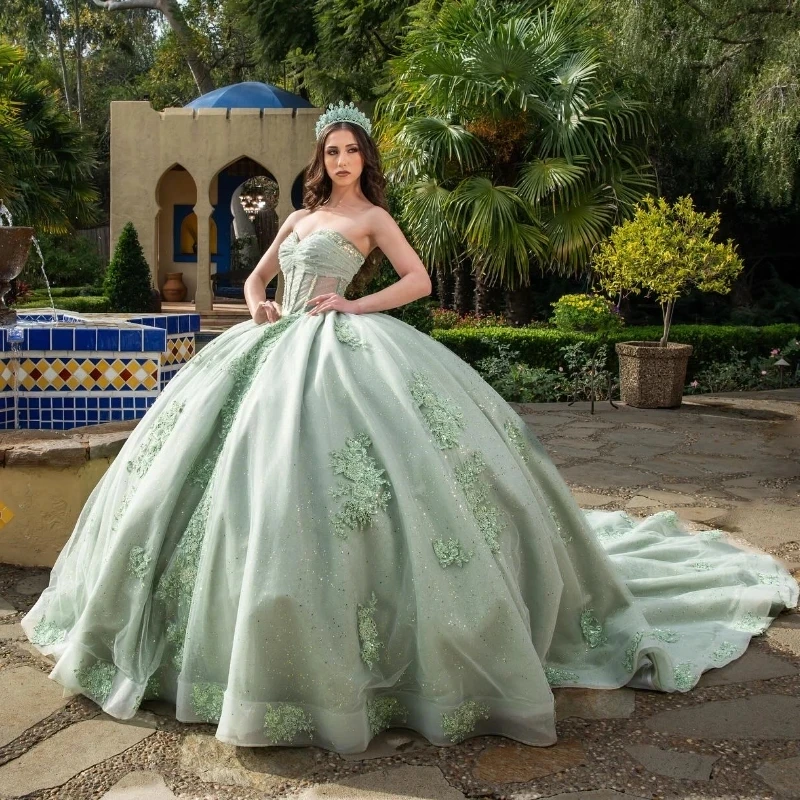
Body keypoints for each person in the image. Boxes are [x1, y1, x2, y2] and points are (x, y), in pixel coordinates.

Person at [22, 101, 798, 754]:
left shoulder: (372, 217)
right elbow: (259, 276)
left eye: (353, 148)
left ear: (366, 157)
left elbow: (419, 280)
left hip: (342, 344)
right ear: (319, 159)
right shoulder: (298, 215)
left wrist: (351, 306)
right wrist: (259, 303)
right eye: (332, 149)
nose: (343, 158)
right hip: (270, 347)